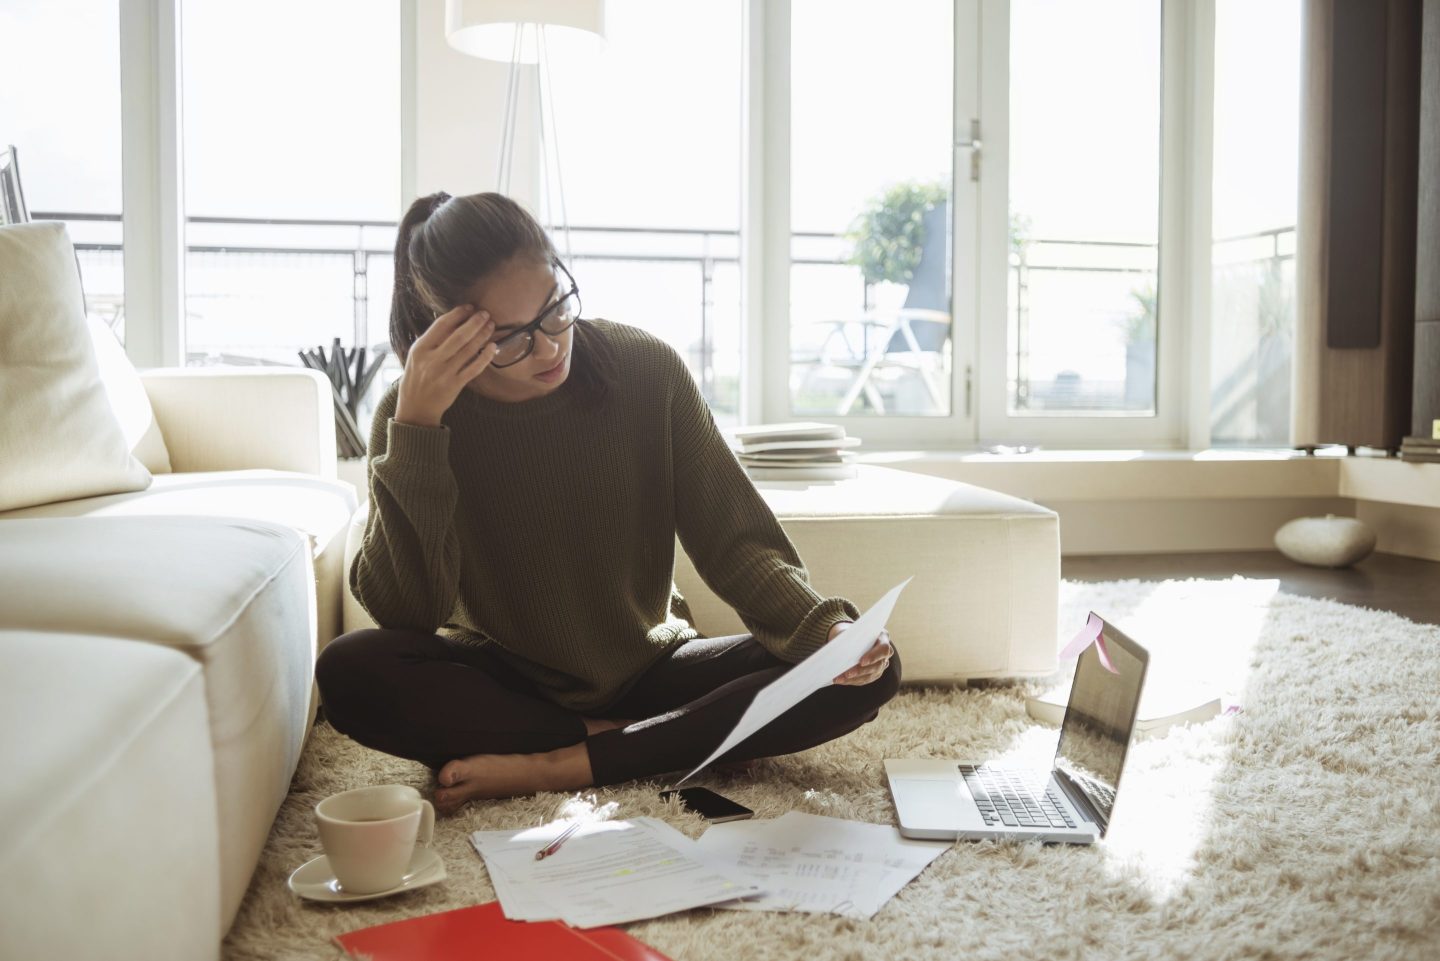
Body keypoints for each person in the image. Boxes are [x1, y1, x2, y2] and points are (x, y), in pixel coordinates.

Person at [316, 191, 900, 815]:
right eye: (511, 338)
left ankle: (566, 761)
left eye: (555, 310)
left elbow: (735, 541)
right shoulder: (411, 416)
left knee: (864, 671)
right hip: (507, 684)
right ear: (451, 331)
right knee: (352, 672)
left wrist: (826, 630)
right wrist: (419, 429)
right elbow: (406, 613)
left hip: (652, 668)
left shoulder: (645, 369)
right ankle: (659, 742)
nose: (548, 348)